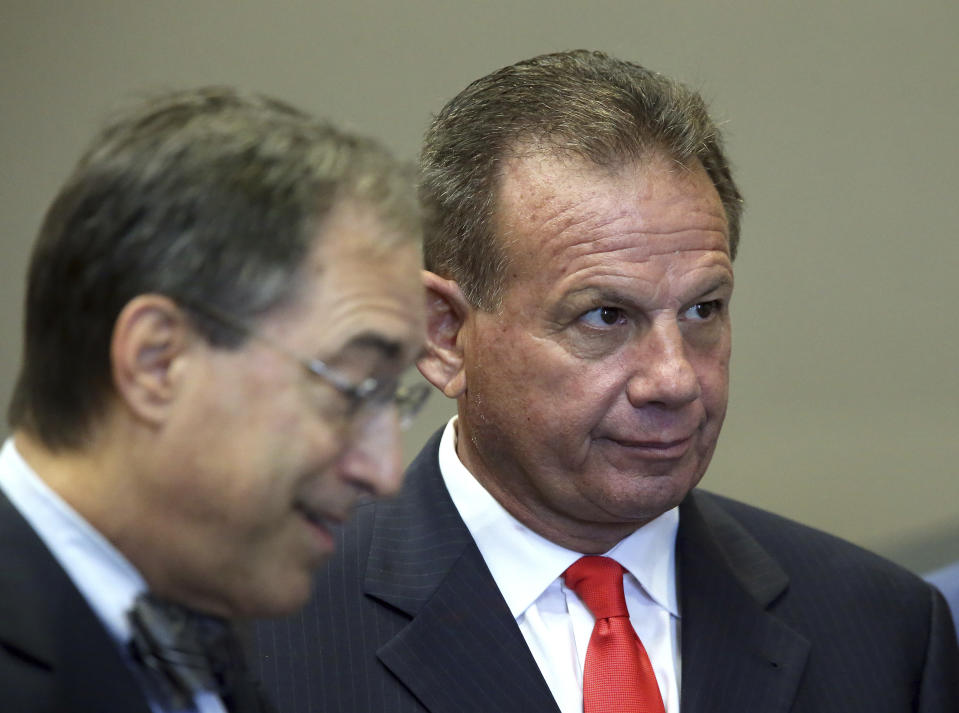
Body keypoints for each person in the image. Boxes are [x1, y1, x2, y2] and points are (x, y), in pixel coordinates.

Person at [251, 50, 959, 712]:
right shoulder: (250, 632)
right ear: (443, 335)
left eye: (702, 309)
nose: (675, 378)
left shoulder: (881, 628)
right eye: (605, 315)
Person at [0, 86, 429, 713]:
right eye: (353, 390)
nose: (384, 472)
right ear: (158, 362)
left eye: (394, 399)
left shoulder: (205, 639)